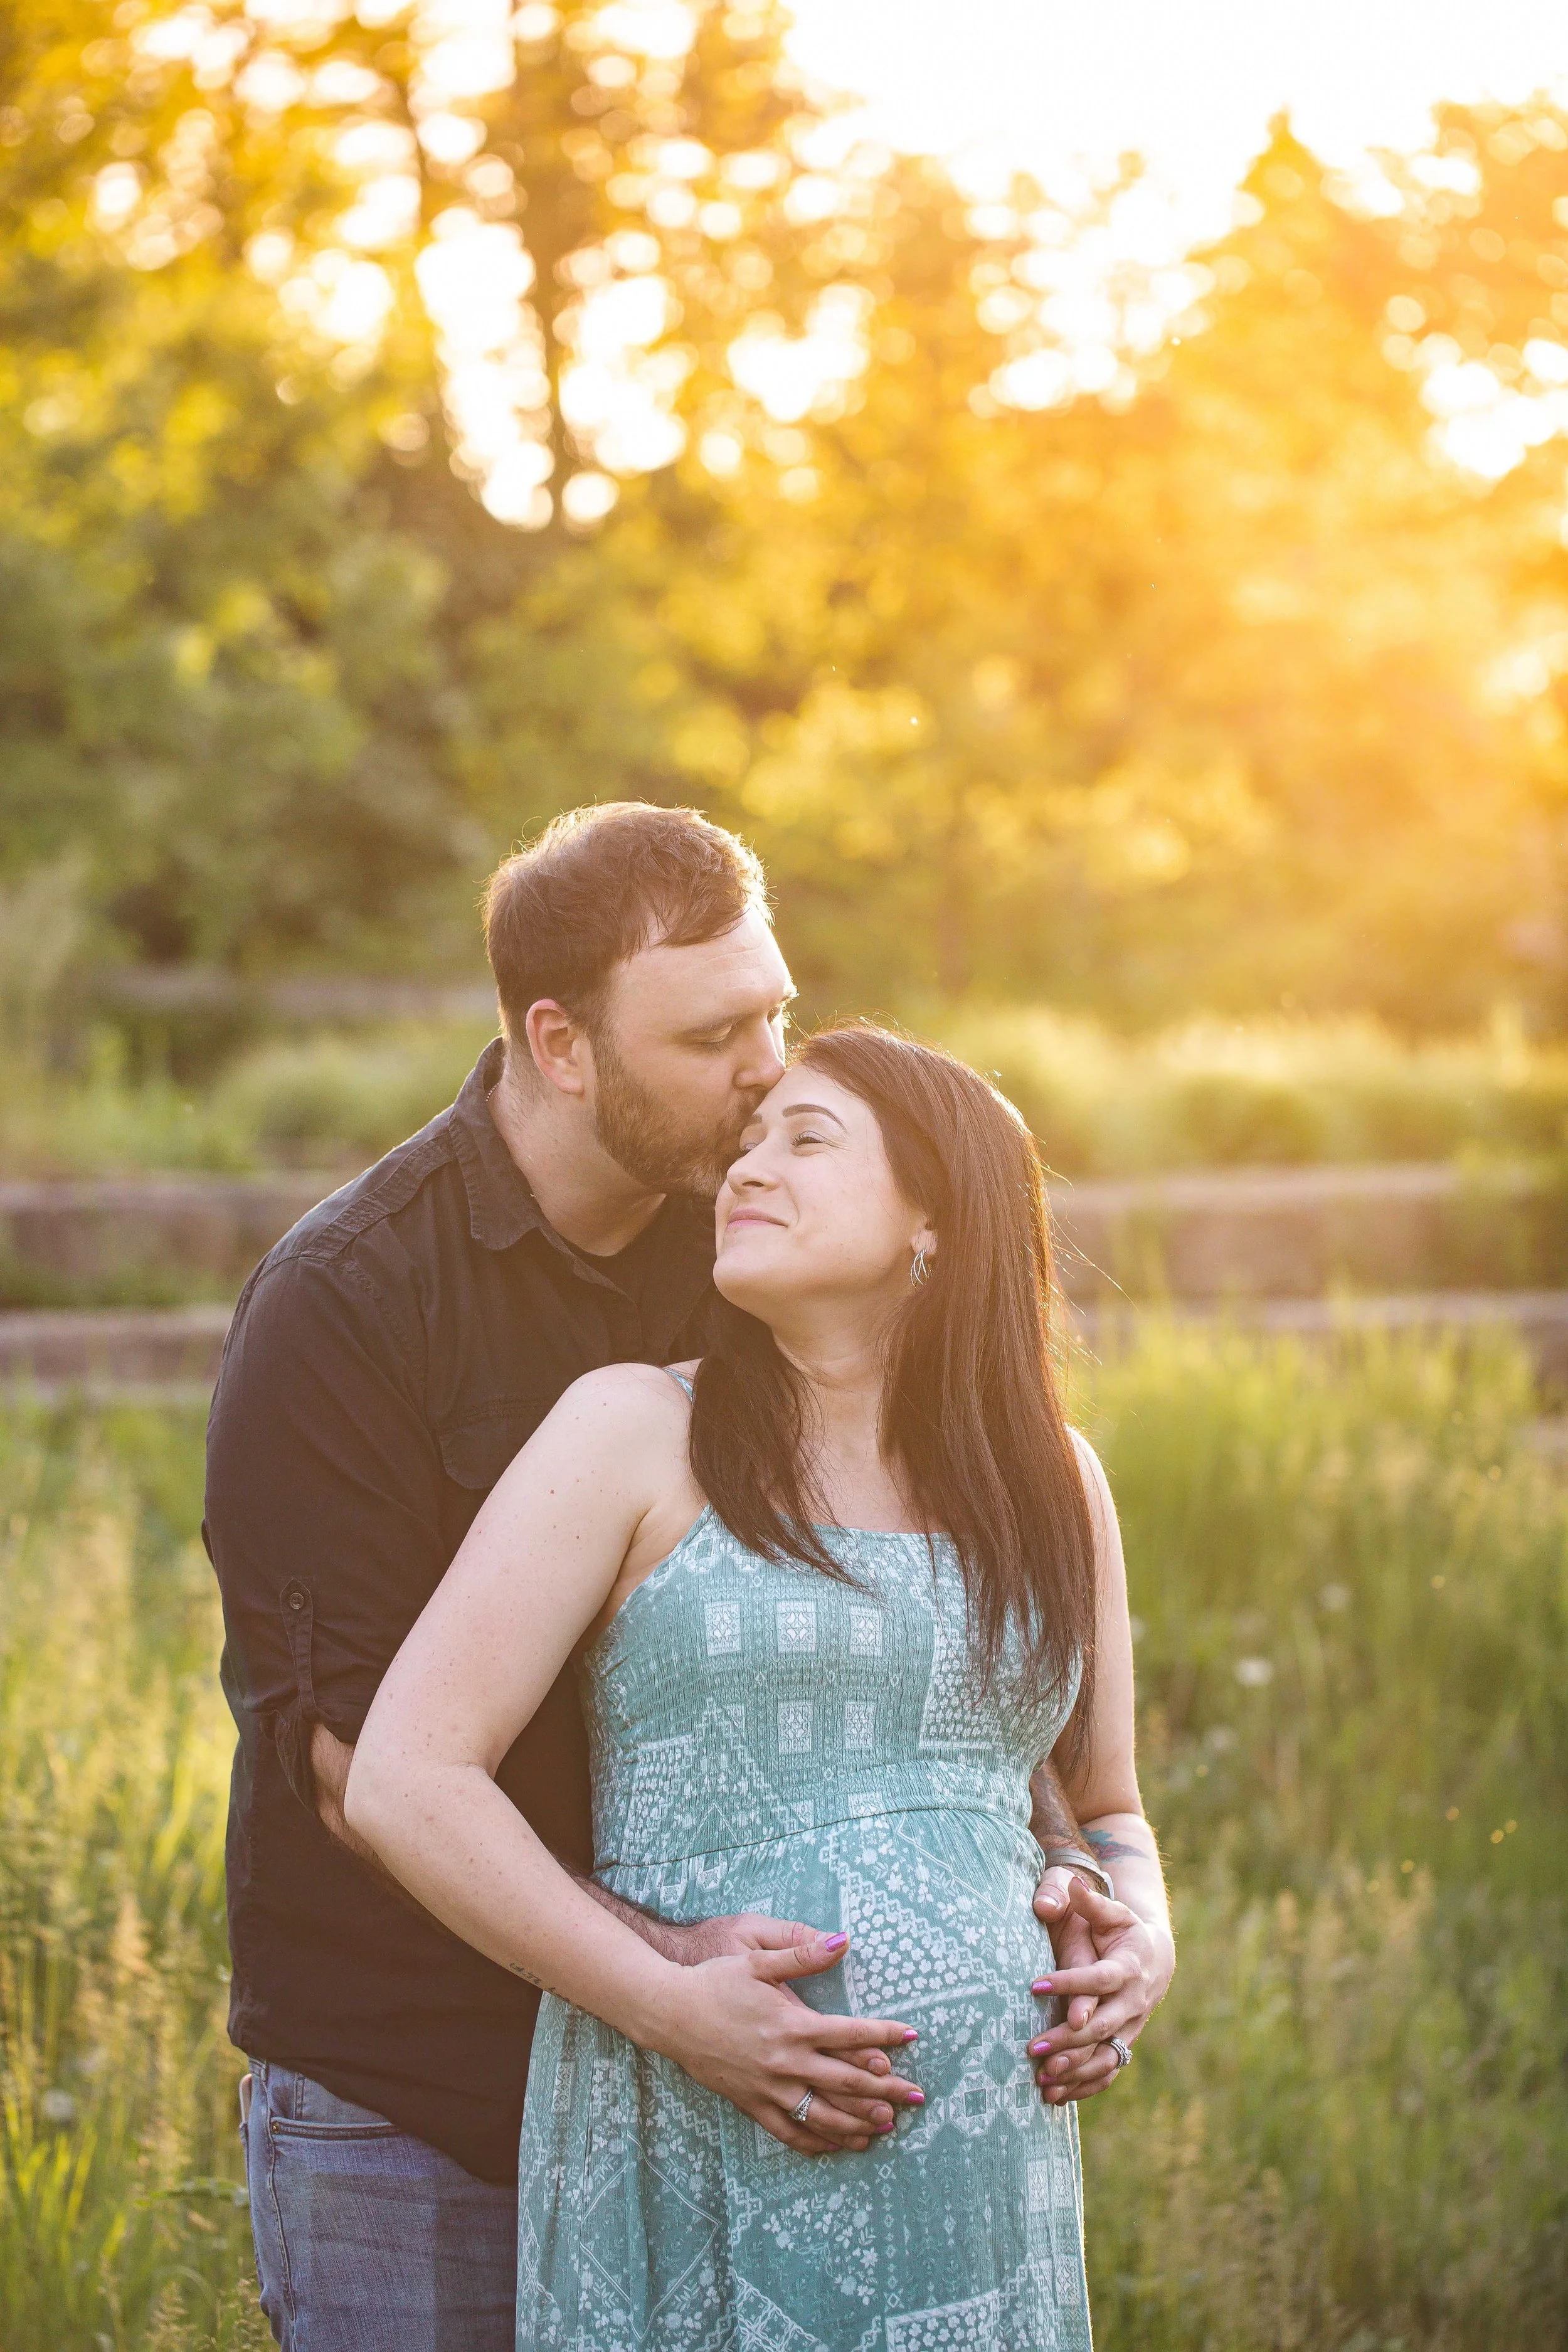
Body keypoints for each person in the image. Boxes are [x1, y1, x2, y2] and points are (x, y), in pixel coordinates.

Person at [205, 804, 1165, 2350]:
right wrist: (668, 1985)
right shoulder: (348, 1305)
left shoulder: (741, 1233)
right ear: (562, 1044)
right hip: (422, 2087)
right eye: (718, 1031)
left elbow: (931, 1672)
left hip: (777, 2089)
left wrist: (1069, 1884)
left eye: (776, 1011)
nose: (766, 1067)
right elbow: (350, 1769)